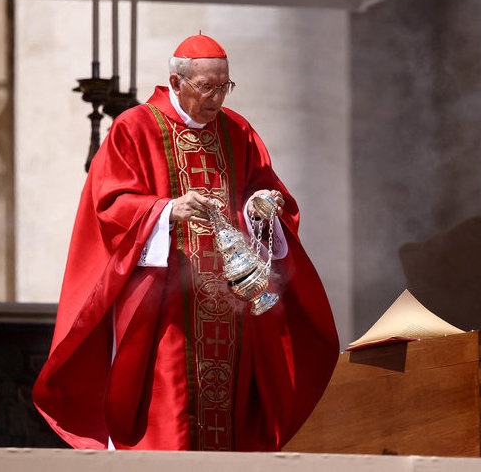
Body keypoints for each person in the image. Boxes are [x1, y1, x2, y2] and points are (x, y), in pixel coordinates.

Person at [32, 34, 339, 452]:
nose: (217, 98)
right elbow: (109, 205)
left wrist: (259, 207)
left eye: (225, 86)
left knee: (232, 420)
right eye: (207, 87)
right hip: (165, 309)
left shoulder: (238, 131)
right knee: (169, 414)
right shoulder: (134, 128)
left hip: (231, 310)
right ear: (176, 83)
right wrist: (166, 210)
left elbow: (261, 189)